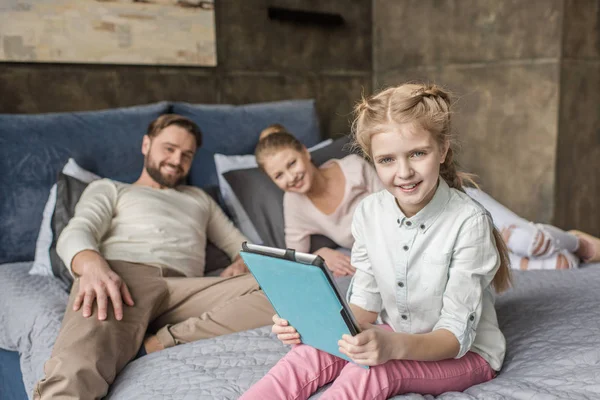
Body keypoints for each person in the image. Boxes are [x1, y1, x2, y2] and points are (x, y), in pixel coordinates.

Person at [241, 83, 512, 399]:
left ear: (443, 149)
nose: (404, 172)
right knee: (306, 355)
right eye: (387, 160)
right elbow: (365, 306)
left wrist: (393, 346)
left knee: (369, 371)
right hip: (394, 332)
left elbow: (454, 337)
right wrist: (311, 328)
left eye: (418, 154)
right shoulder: (369, 212)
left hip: (466, 354)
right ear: (373, 160)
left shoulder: (469, 221)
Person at [33, 114, 274, 399]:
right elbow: (78, 231)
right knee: (74, 370)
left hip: (186, 288)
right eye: (169, 149)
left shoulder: (199, 200)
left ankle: (160, 343)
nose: (176, 160)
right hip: (121, 279)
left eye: (186, 155)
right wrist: (91, 266)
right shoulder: (111, 189)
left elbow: (242, 246)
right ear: (146, 144)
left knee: (279, 290)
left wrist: (240, 262)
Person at [255, 124, 384, 277]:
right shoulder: (293, 203)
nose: (291, 178)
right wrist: (319, 255)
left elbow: (396, 207)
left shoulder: (354, 167)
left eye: (292, 164)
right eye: (279, 176)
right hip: (372, 262)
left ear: (305, 152)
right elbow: (294, 262)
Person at [466, 187, 600, 270]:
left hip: (462, 195)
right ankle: (511, 258)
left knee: (526, 240)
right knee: (560, 264)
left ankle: (578, 244)